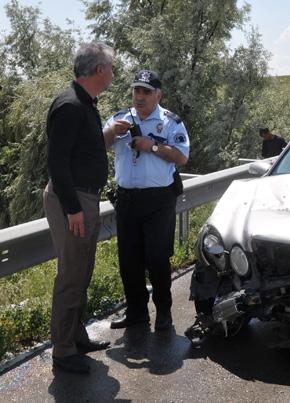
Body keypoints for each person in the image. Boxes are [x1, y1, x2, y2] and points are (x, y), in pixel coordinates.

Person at [44, 42, 114, 374]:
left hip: (85, 198)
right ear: (99, 70)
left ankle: (77, 336)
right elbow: (56, 163)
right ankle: (63, 350)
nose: (113, 73)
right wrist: (73, 209)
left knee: (83, 270)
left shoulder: (85, 102)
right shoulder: (70, 105)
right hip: (71, 200)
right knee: (71, 274)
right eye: (111, 68)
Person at [103, 70, 189, 332]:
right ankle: (137, 313)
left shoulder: (170, 121)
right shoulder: (119, 119)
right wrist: (109, 132)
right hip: (127, 200)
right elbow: (96, 145)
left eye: (146, 91)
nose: (140, 97)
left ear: (158, 95)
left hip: (158, 201)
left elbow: (182, 157)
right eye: (136, 91)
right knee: (129, 260)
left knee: (157, 258)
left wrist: (151, 146)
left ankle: (164, 311)